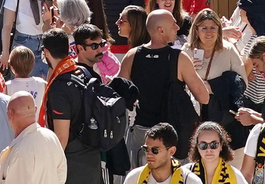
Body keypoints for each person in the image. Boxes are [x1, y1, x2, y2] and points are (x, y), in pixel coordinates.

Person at [119, 10, 209, 160]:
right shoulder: (179, 57)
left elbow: (120, 93)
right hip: (172, 135)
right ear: (161, 30)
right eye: (173, 24)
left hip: (142, 132)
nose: (177, 28)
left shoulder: (132, 56)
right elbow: (204, 97)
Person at [39, 25, 107, 184]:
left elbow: (61, 138)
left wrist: (50, 168)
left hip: (73, 164)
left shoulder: (59, 87)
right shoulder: (83, 72)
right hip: (92, 156)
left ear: (46, 53)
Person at [0, 91, 64, 184]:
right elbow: (61, 175)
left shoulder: (21, 149)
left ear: (10, 114)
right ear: (35, 110)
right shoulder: (51, 136)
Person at [126, 122, 203, 184]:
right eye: (146, 149)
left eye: (155, 150)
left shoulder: (190, 181)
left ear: (171, 151)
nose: (149, 154)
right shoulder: (134, 178)